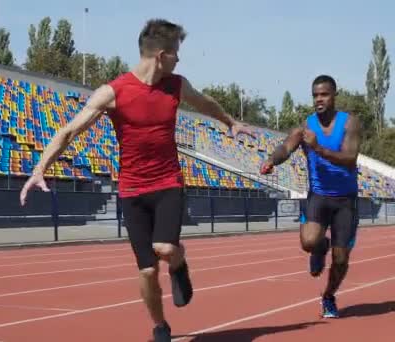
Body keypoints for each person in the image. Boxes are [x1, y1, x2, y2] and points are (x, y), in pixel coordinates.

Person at [20, 18, 254, 341]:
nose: (178, 59)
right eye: (175, 53)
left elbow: (204, 102)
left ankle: (179, 263)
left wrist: (230, 122)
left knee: (165, 248)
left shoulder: (177, 85)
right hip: (131, 190)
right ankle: (160, 326)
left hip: (167, 183)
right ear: (160, 55)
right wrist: (39, 169)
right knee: (146, 270)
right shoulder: (113, 92)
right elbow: (69, 130)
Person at [260, 75, 361, 319]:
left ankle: (328, 296)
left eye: (324, 94)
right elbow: (286, 147)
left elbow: (350, 159)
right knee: (308, 242)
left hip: (346, 200)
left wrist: (318, 148)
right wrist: (272, 160)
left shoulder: (350, 123)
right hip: (319, 196)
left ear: (334, 95)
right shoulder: (305, 128)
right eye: (315, 95)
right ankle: (320, 247)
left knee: (340, 259)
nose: (319, 99)